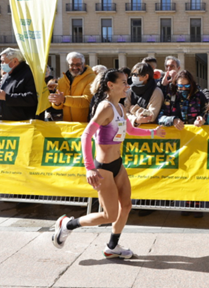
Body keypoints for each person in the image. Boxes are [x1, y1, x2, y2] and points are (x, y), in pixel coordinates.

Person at [52, 69, 166, 258]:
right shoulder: (105, 107)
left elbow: (130, 130)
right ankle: (67, 225)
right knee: (109, 215)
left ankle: (112, 247)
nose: (127, 86)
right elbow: (86, 135)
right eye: (123, 82)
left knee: (127, 206)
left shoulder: (120, 107)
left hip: (117, 165)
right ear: (110, 86)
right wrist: (89, 168)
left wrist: (153, 133)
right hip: (103, 169)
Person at [0, 48, 38, 121]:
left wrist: (6, 97)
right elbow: (4, 96)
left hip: (22, 123)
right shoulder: (8, 74)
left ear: (15, 61)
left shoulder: (29, 74)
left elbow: (32, 98)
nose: (1, 64)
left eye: (3, 61)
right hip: (6, 120)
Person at [49, 52, 96, 122]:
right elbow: (59, 106)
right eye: (72, 65)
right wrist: (56, 102)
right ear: (68, 65)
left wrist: (64, 99)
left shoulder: (92, 78)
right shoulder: (62, 81)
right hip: (68, 125)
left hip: (85, 124)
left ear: (83, 64)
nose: (75, 67)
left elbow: (87, 101)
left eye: (78, 64)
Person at [124, 62, 164, 126]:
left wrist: (133, 109)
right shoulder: (130, 90)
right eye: (133, 74)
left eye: (136, 75)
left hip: (150, 132)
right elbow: (125, 113)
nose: (133, 77)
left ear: (146, 76)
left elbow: (151, 116)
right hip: (132, 131)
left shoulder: (156, 91)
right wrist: (135, 120)